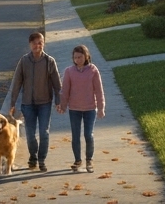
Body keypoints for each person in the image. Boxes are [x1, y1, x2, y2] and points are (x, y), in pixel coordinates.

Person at [8, 30, 61, 172]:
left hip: (44, 103)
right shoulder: (24, 61)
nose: (38, 46)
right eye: (35, 43)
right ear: (30, 44)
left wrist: (59, 100)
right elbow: (17, 83)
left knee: (44, 132)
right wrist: (12, 103)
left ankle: (42, 159)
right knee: (30, 135)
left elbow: (57, 84)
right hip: (28, 104)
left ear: (43, 44)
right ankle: (33, 156)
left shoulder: (49, 61)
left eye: (40, 43)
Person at [56, 44, 106, 172]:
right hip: (75, 109)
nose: (77, 60)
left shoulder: (93, 70)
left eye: (80, 57)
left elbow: (99, 91)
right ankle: (77, 160)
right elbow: (65, 90)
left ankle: (89, 160)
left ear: (86, 56)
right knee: (75, 135)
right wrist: (63, 106)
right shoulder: (69, 71)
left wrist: (101, 108)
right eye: (75, 57)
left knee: (88, 135)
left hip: (90, 108)